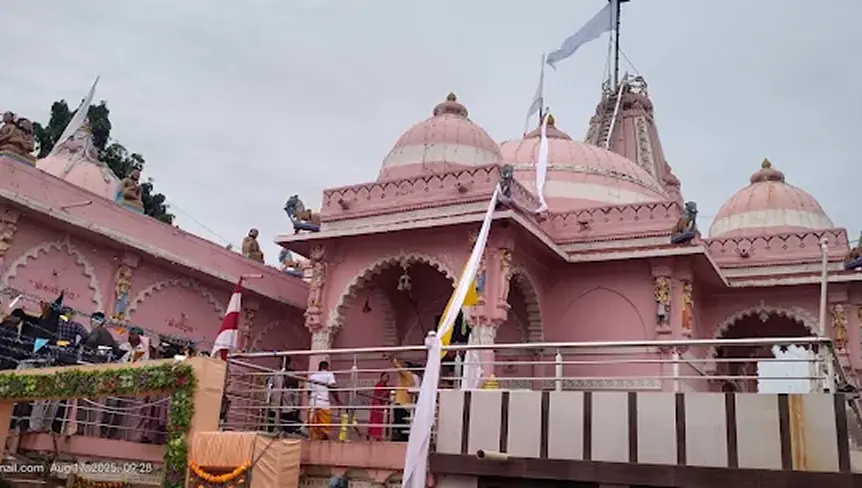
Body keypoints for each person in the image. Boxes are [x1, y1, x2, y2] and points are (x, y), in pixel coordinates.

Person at [387, 355, 416, 442]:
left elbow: (399, 369)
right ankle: (402, 438)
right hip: (405, 403)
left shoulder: (407, 375)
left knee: (399, 422)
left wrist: (394, 360)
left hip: (401, 403)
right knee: (402, 423)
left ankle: (400, 439)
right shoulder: (410, 378)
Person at [308, 360, 337, 440]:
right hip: (324, 403)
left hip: (313, 403)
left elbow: (309, 391)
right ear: (327, 367)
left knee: (313, 425)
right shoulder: (329, 374)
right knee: (325, 426)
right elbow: (333, 389)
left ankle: (314, 441)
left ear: (319, 367)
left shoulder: (312, 376)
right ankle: (323, 441)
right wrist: (337, 401)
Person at [367, 372, 391, 440]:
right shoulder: (378, 385)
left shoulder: (385, 387)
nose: (387, 378)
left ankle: (376, 436)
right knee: (375, 421)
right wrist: (387, 392)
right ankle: (373, 436)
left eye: (388, 377)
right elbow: (379, 397)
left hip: (382, 406)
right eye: (385, 376)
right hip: (377, 405)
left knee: (379, 421)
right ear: (381, 377)